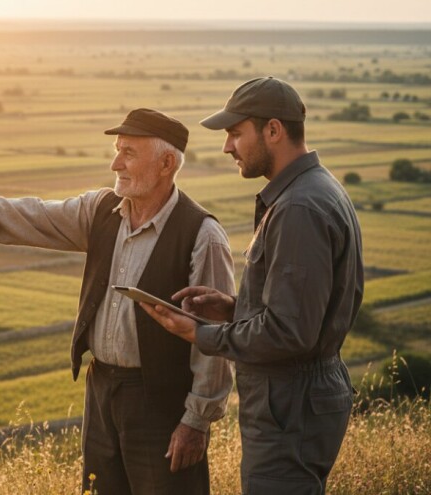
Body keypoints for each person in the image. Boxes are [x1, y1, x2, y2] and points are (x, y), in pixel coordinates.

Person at [0, 108, 234, 495]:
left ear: (166, 163)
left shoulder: (202, 235)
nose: (115, 164)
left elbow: (215, 337)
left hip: (162, 403)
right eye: (117, 150)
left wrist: (196, 421)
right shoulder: (101, 210)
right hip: (101, 389)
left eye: (128, 153)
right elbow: (37, 215)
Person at [139, 77, 363, 495]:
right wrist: (233, 308)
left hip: (288, 407)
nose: (227, 147)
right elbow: (302, 309)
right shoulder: (316, 189)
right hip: (298, 401)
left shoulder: (298, 207)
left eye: (236, 133)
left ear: (273, 130)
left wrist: (200, 334)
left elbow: (288, 332)